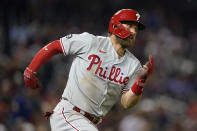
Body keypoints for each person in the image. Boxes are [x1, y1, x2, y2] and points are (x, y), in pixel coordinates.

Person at [24, 9, 154, 131]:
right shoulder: (91, 42)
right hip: (69, 114)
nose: (134, 32)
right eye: (130, 26)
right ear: (116, 25)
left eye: (136, 29)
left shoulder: (133, 65)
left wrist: (140, 82)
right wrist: (30, 70)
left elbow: (127, 102)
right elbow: (55, 46)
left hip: (90, 123)